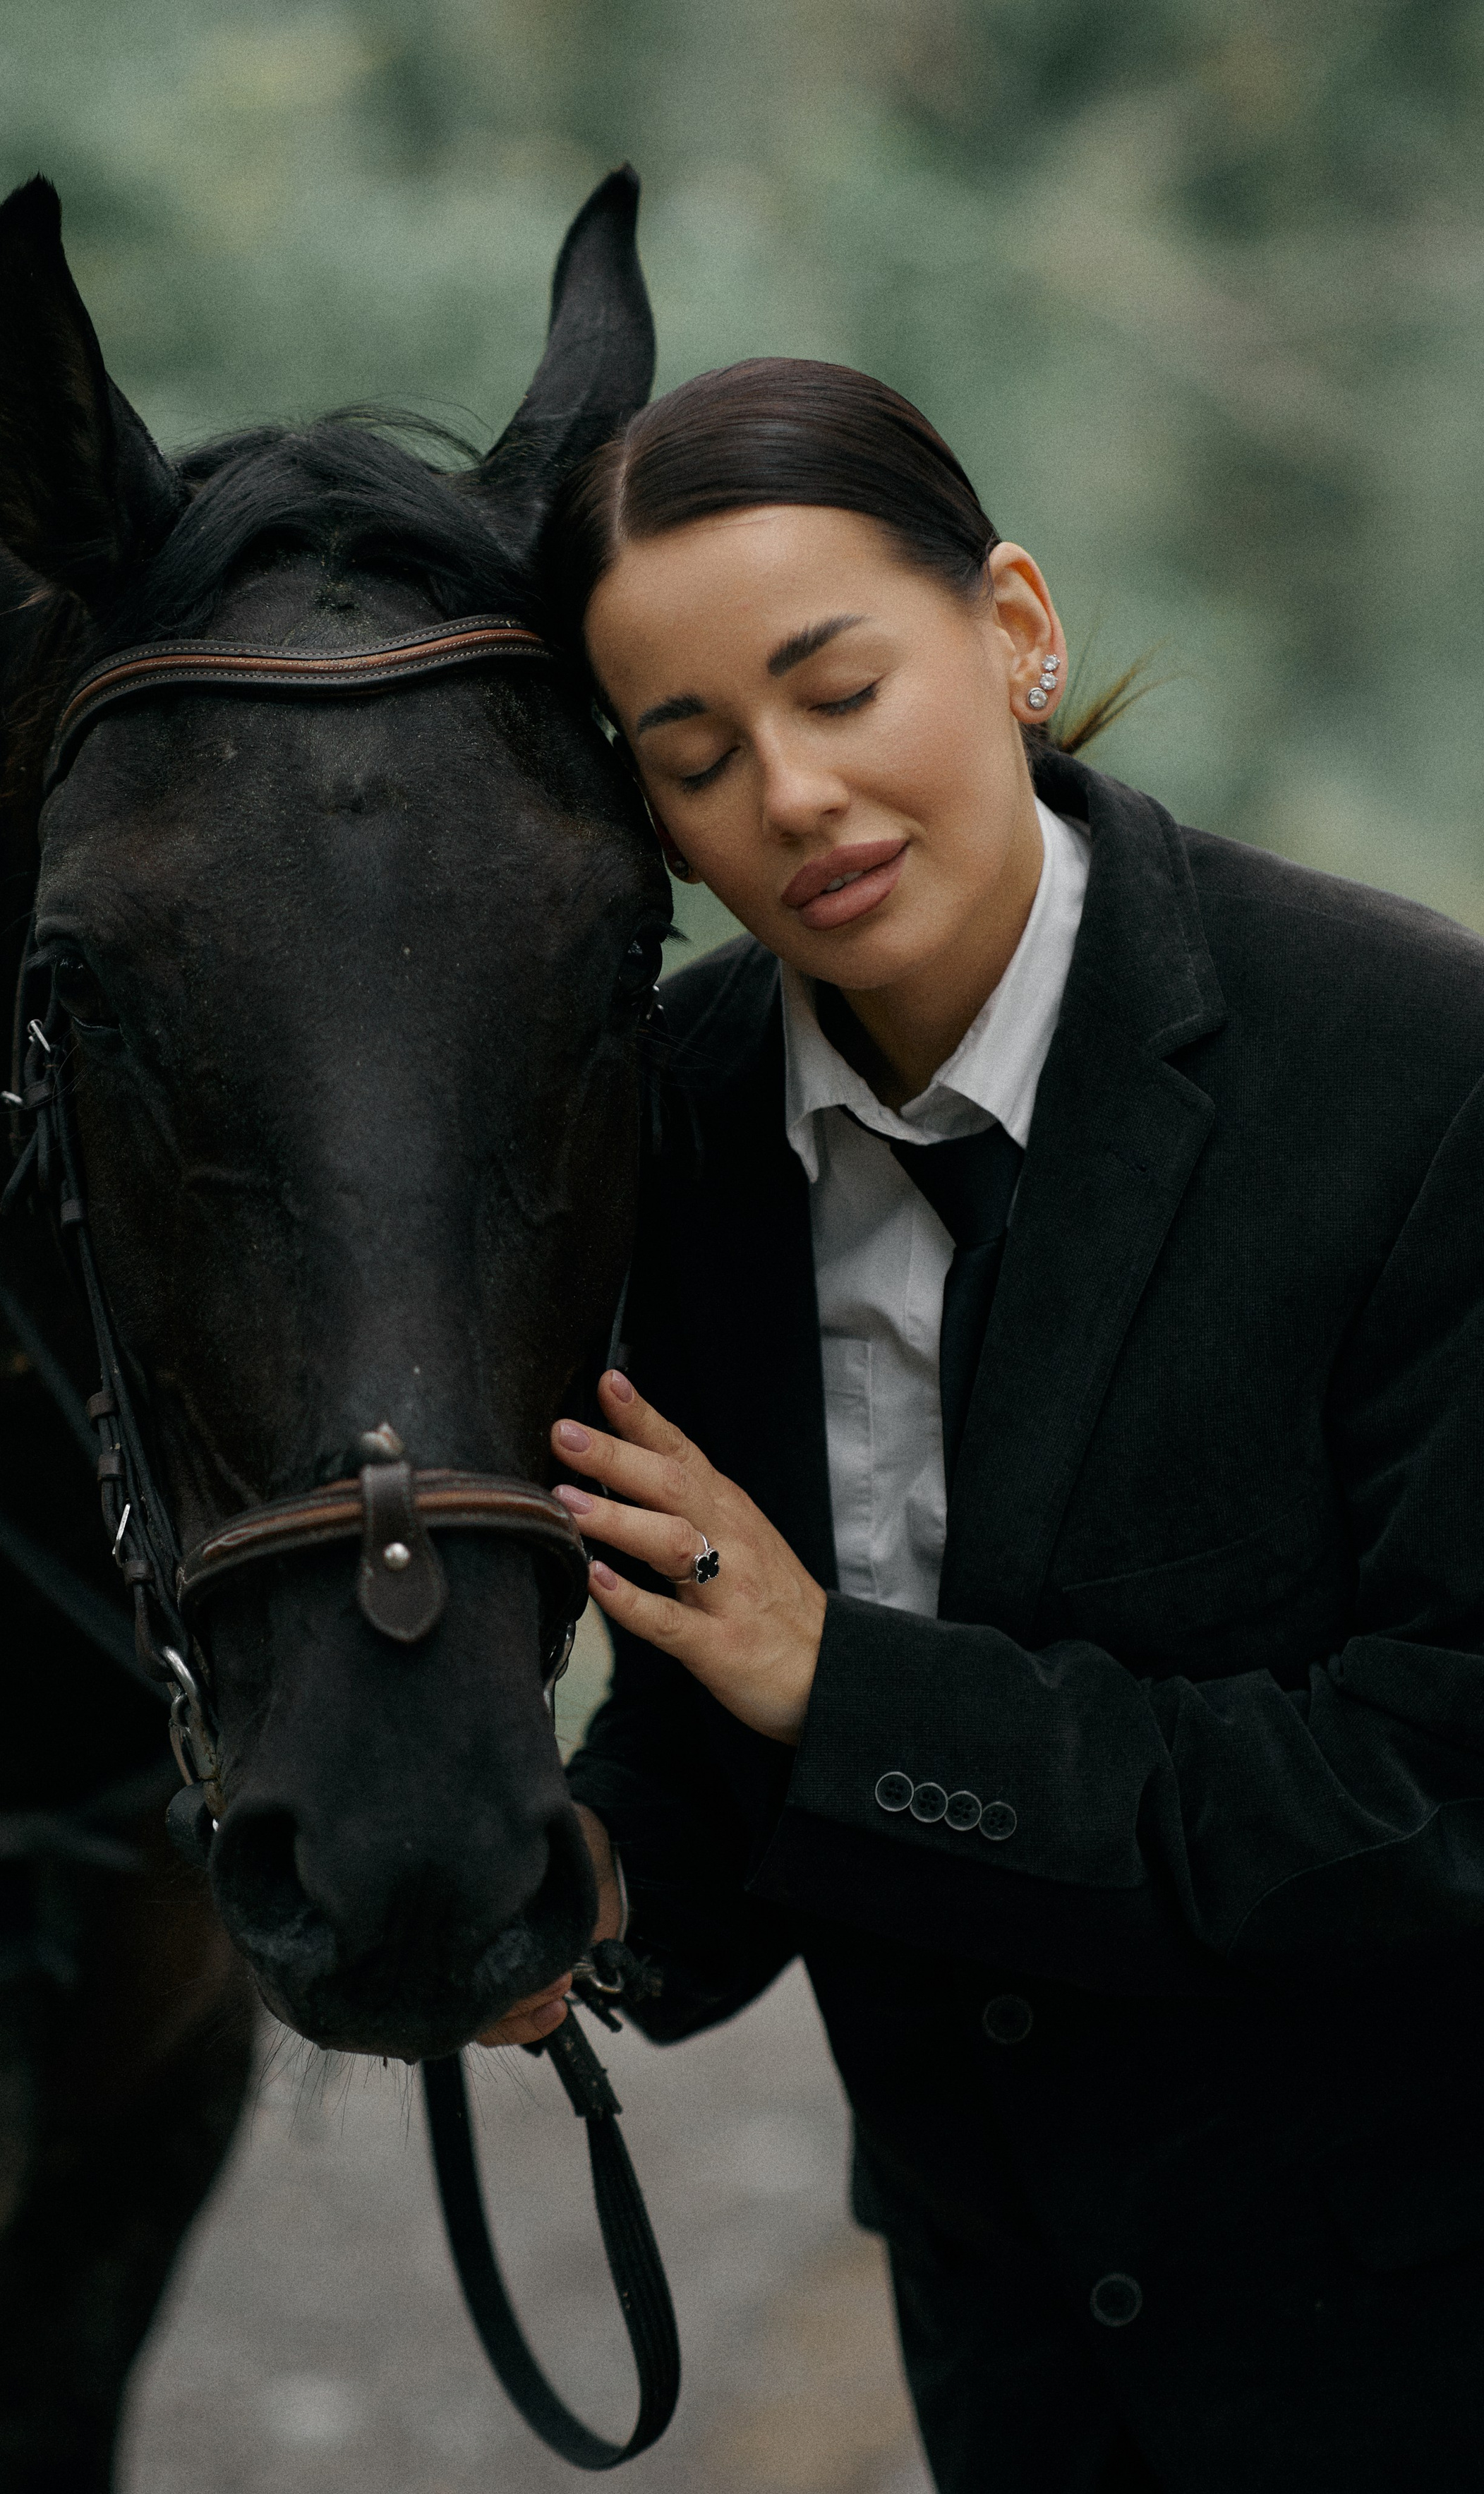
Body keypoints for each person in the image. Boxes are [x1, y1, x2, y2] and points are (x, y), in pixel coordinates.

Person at [479, 358, 1484, 2490]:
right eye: (697, 754)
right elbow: (707, 1703)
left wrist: (844, 1685)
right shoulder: (669, 1128)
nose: (798, 797)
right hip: (1001, 2329)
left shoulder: (1419, 1076)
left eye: (838, 689)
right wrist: (571, 1894)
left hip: (1416, 2322)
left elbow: (1431, 1791)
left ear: (1014, 630)